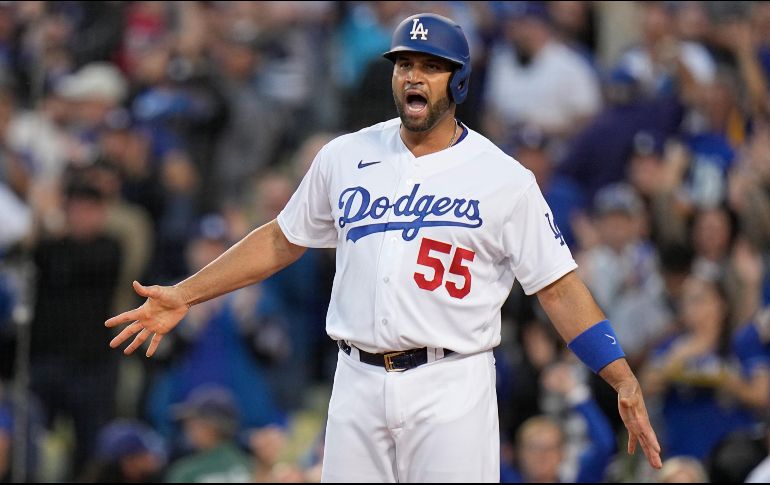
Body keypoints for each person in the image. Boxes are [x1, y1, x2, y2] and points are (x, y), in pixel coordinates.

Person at [106, 13, 662, 482]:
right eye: (404, 64)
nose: (413, 77)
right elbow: (281, 239)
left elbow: (558, 287)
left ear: (459, 82)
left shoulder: (503, 178)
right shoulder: (344, 155)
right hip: (357, 378)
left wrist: (620, 374)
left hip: (452, 381)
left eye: (429, 66)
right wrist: (185, 293)